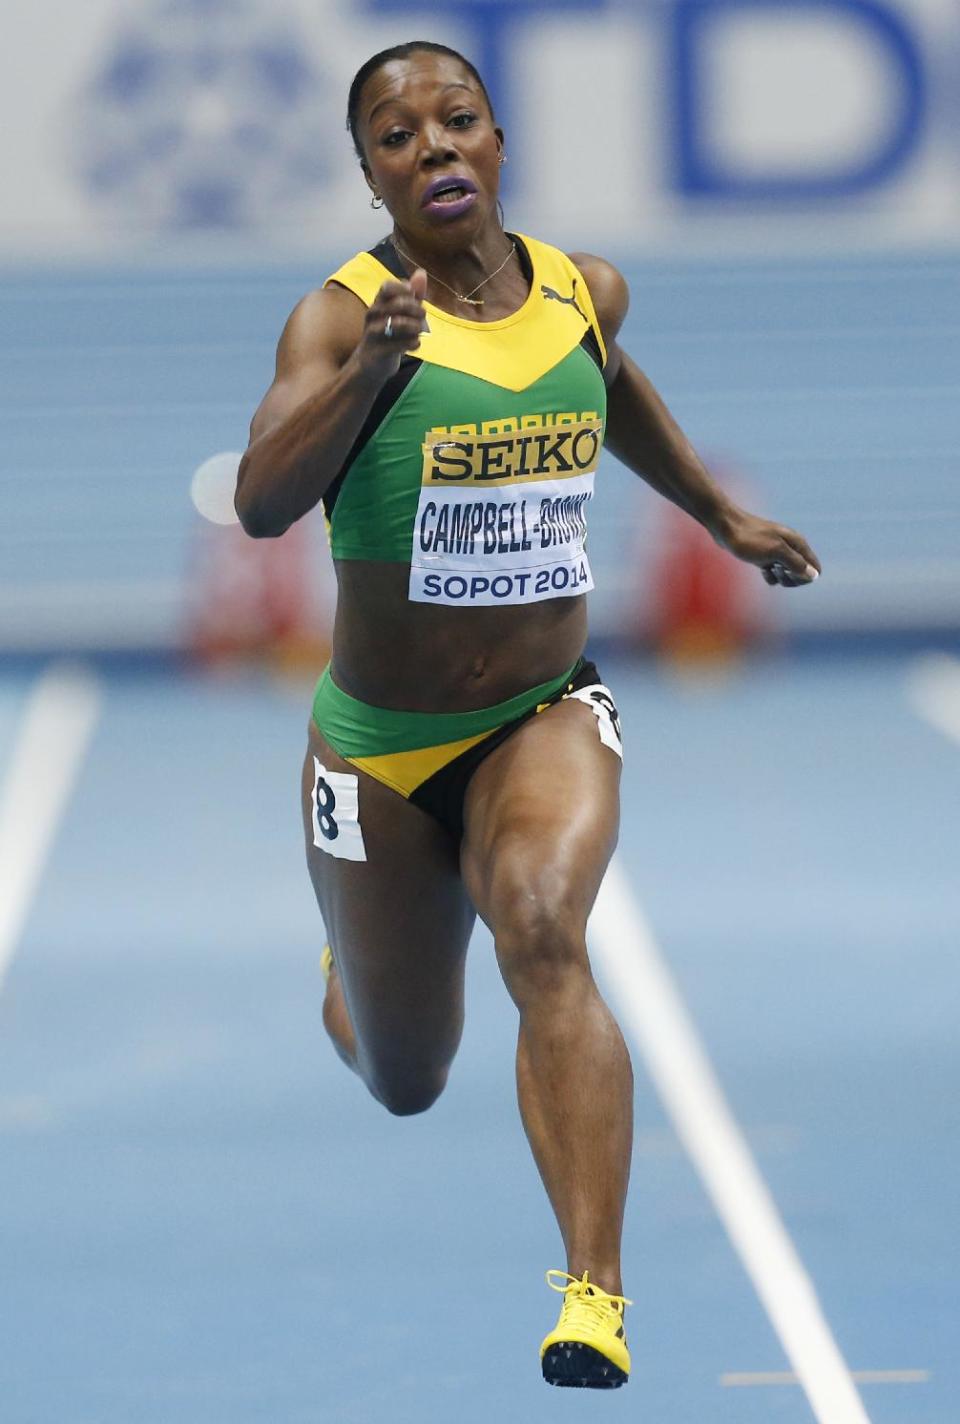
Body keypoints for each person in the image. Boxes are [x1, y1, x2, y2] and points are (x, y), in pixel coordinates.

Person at [235, 40, 821, 1390]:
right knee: (404, 1075)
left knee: (547, 932)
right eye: (397, 137)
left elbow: (606, 384)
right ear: (370, 172)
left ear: (497, 139)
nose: (432, 149)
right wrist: (368, 377)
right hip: (379, 747)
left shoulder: (583, 287)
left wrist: (720, 515)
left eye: (457, 122)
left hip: (544, 711)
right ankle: (354, 958)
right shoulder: (340, 319)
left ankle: (595, 1296)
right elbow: (264, 502)